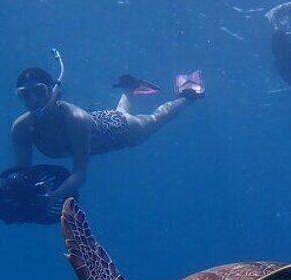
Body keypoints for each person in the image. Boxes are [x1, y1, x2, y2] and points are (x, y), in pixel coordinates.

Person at [11, 57, 203, 208]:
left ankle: (187, 95)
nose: (33, 99)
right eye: (24, 94)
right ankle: (129, 88)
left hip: (121, 130)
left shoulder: (75, 120)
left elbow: (79, 173)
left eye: (39, 91)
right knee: (121, 112)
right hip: (101, 120)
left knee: (155, 120)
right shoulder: (21, 129)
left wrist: (53, 197)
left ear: (54, 91)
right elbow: (23, 173)